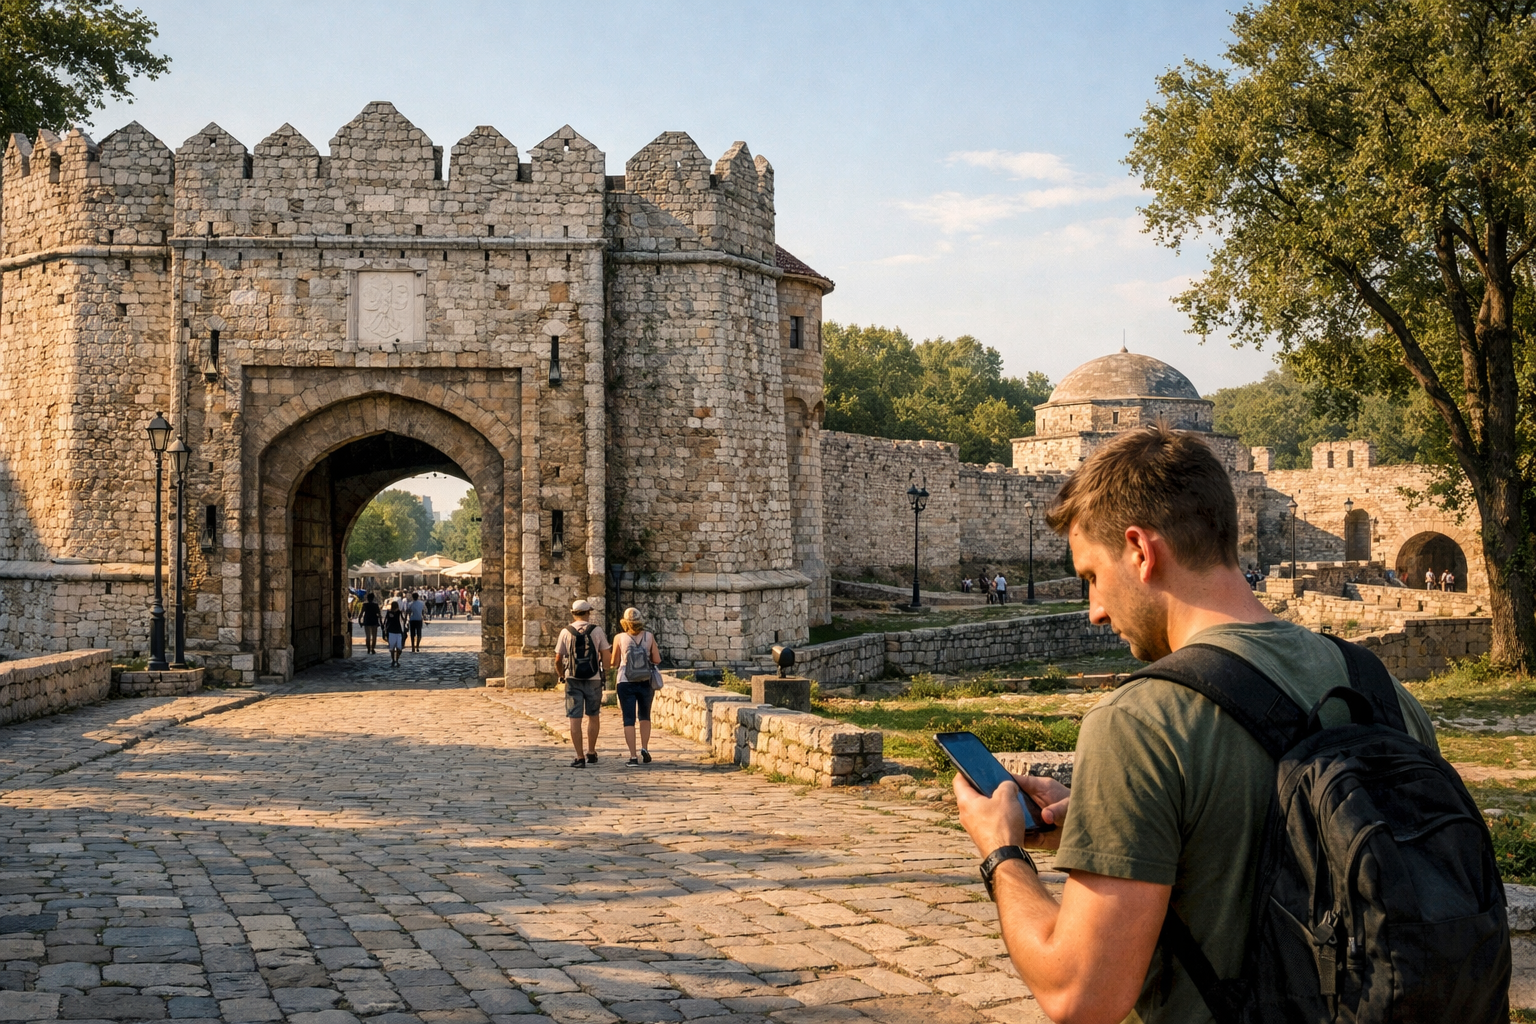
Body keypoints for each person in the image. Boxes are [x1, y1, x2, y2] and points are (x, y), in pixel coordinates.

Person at [952, 425, 1438, 1024]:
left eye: (1092, 578)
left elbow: (1079, 996)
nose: (1095, 611)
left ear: (1140, 551)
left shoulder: (1140, 723)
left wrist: (1001, 852)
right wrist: (1111, 823)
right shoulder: (1381, 691)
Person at [554, 599, 610, 767]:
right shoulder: (597, 630)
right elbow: (606, 655)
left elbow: (558, 659)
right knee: (593, 716)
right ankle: (591, 752)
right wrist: (604, 671)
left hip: (573, 678)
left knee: (574, 719)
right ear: (588, 613)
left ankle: (579, 757)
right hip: (593, 678)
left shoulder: (566, 632)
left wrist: (561, 675)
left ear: (573, 613)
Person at [609, 607, 661, 767]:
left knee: (628, 719)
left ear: (625, 623)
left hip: (625, 680)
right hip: (645, 680)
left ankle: (633, 756)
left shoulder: (619, 638)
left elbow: (614, 662)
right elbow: (657, 659)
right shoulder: (649, 636)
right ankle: (644, 748)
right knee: (645, 716)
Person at [383, 599, 406, 668]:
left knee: (396, 648)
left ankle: (395, 660)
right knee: (394, 648)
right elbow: (386, 621)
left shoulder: (398, 612)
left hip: (394, 631)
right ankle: (395, 660)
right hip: (394, 631)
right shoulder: (391, 612)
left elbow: (403, 620)